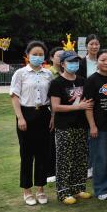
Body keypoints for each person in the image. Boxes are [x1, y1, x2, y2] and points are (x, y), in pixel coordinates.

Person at [10, 41, 53, 206]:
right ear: (27, 55)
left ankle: (40, 189)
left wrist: (53, 116)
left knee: (43, 153)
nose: (37, 57)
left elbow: (52, 98)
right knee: (27, 154)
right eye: (34, 54)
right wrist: (20, 117)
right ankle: (27, 191)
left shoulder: (48, 74)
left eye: (41, 54)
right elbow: (14, 96)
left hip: (44, 114)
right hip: (26, 114)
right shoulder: (20, 73)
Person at [49, 50, 94, 205]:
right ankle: (63, 192)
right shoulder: (57, 83)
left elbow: (87, 103)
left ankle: (78, 187)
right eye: (70, 62)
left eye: (76, 62)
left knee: (80, 158)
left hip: (81, 125)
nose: (74, 64)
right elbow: (56, 107)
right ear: (62, 64)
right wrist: (78, 107)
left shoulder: (83, 81)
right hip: (64, 127)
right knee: (65, 159)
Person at [83, 49, 107, 200]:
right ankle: (101, 188)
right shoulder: (91, 80)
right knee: (100, 158)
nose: (106, 63)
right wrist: (92, 126)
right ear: (97, 62)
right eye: (103, 60)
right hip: (99, 126)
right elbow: (88, 106)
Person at [46, 46, 64, 182]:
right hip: (51, 111)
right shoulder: (48, 74)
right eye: (58, 56)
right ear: (52, 58)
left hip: (64, 111)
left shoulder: (67, 73)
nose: (61, 58)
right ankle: (51, 171)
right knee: (51, 143)